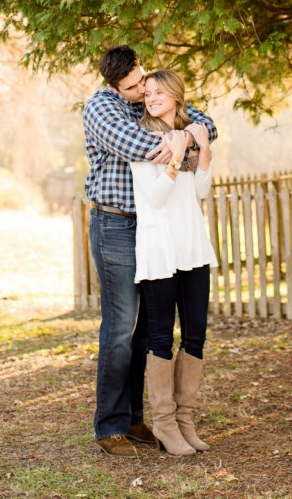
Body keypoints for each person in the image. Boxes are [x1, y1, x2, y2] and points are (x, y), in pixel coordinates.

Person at [83, 45, 217, 458]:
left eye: (143, 79)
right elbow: (147, 146)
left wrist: (192, 135)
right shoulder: (100, 110)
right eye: (133, 87)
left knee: (148, 329)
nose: (143, 90)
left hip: (150, 226)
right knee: (121, 326)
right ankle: (110, 426)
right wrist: (180, 141)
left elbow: (204, 122)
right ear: (113, 86)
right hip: (116, 222)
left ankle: (138, 418)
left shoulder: (150, 94)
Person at [130, 69, 217, 456]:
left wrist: (203, 152)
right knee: (162, 337)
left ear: (176, 95)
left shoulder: (191, 134)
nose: (151, 98)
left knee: (195, 334)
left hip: (192, 246)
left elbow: (200, 189)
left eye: (158, 92)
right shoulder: (143, 138)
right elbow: (155, 198)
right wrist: (176, 158)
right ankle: (164, 424)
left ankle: (185, 420)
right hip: (160, 248)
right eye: (146, 93)